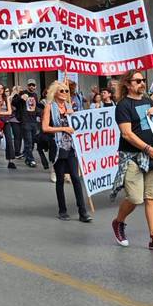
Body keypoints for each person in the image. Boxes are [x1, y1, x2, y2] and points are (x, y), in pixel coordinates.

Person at [111, 71, 153, 252]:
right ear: (128, 84)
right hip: (133, 157)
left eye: (143, 80)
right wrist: (147, 148)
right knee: (135, 198)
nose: (142, 83)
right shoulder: (123, 105)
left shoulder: (148, 101)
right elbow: (127, 134)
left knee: (152, 197)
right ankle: (118, 222)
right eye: (138, 81)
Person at [41, 81, 92, 222]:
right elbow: (45, 128)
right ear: (55, 93)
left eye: (66, 91)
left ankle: (83, 212)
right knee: (60, 179)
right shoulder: (49, 107)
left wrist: (73, 115)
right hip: (58, 147)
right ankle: (62, 210)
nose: (65, 93)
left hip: (71, 147)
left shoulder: (70, 107)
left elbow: (77, 125)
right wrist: (63, 128)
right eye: (62, 91)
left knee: (76, 178)